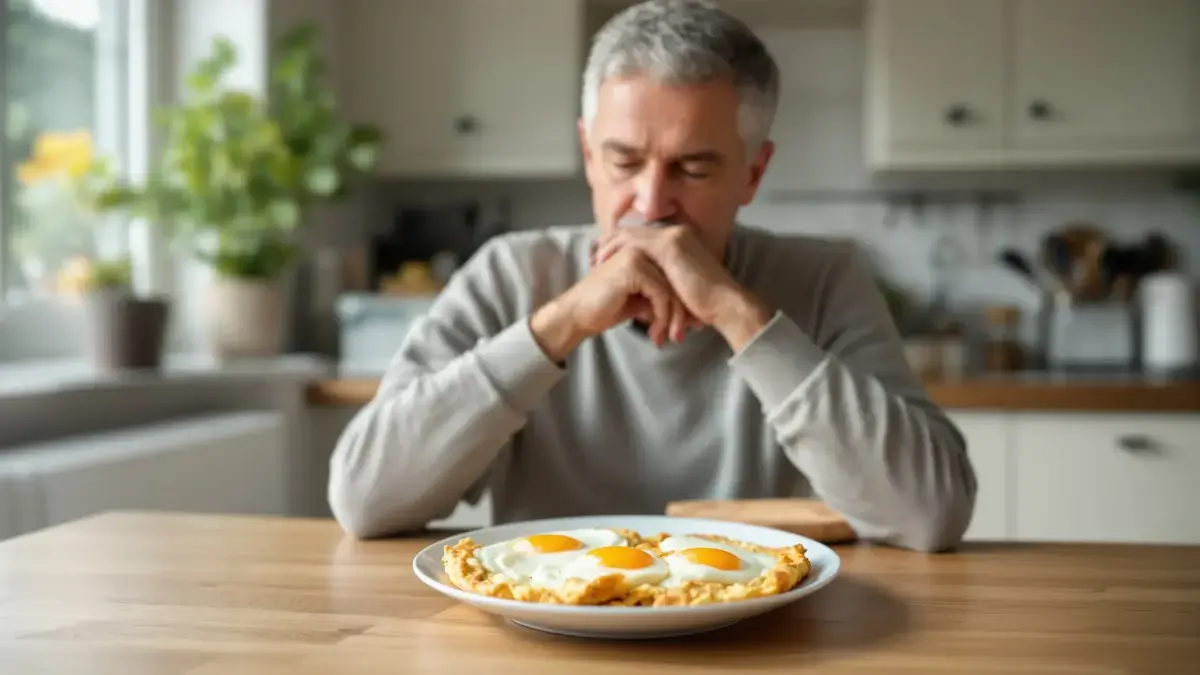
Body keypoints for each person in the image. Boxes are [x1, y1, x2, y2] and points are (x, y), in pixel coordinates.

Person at [328, 0, 976, 552]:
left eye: (692, 169)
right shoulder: (509, 273)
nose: (650, 204)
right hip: (543, 635)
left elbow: (930, 513)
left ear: (753, 173)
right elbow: (365, 499)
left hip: (746, 637)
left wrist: (737, 312)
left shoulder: (824, 277)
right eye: (623, 162)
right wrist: (563, 322)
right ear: (588, 154)